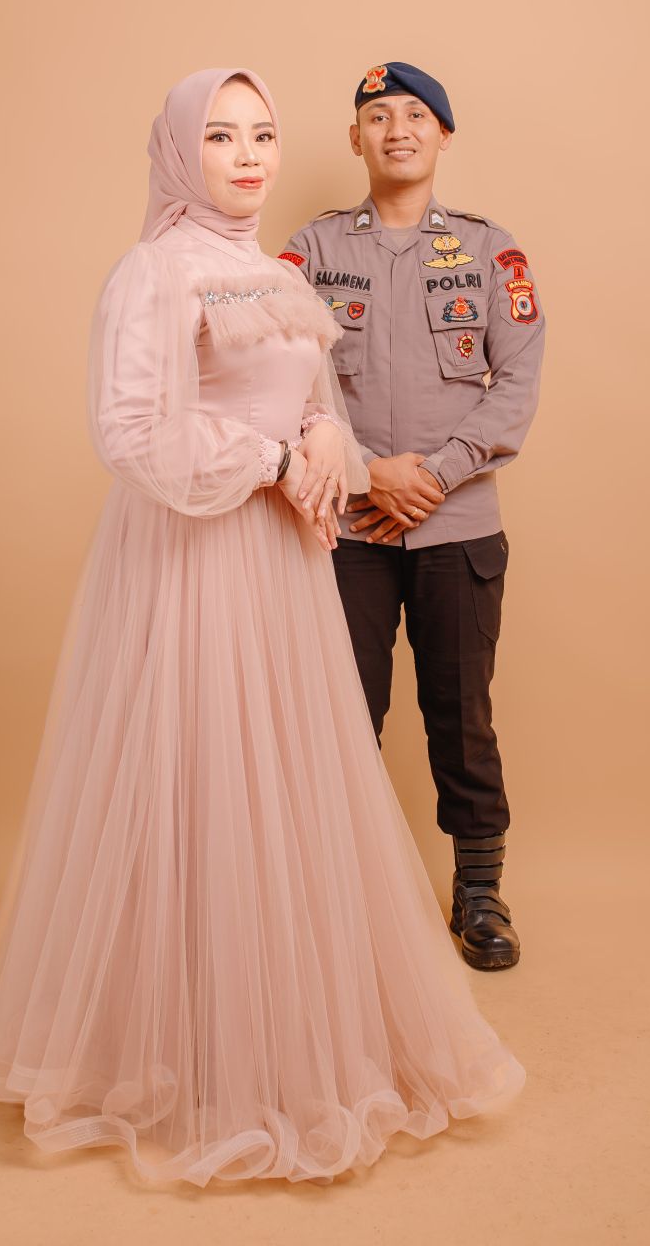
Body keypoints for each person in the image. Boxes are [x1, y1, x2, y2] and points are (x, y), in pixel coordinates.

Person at [0, 66, 524, 1188]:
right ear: (180, 152)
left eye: (262, 133)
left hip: (280, 561)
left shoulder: (269, 271)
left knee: (281, 781)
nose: (250, 155)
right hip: (193, 560)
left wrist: (321, 438)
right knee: (196, 776)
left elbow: (313, 397)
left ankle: (281, 1029)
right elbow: (130, 431)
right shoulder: (154, 271)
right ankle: (177, 1045)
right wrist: (273, 457)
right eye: (221, 136)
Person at [280, 62, 545, 972]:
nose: (397, 130)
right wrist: (366, 475)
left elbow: (515, 384)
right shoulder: (310, 250)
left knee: (460, 718)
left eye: (415, 116)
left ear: (442, 136)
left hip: (456, 529)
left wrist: (430, 478)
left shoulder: (489, 252)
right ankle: (337, 892)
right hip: (344, 528)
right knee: (338, 717)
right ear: (354, 139)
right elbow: (276, 379)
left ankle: (479, 890)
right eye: (378, 116)